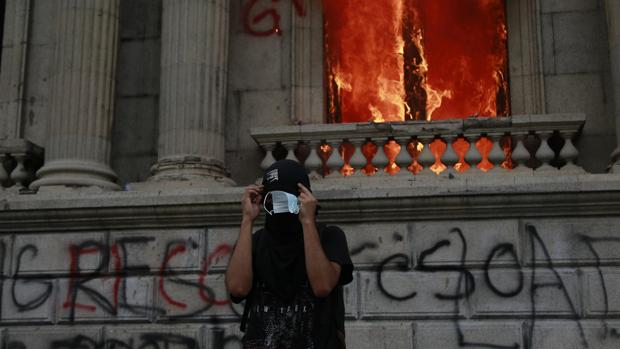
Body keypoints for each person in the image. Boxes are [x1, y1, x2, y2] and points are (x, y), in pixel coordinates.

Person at [225, 159, 354, 349]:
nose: (279, 207)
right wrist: (247, 219)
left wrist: (308, 221)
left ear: (303, 196)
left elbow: (322, 286)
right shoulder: (255, 242)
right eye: (272, 199)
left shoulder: (329, 236)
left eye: (286, 199)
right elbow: (237, 288)